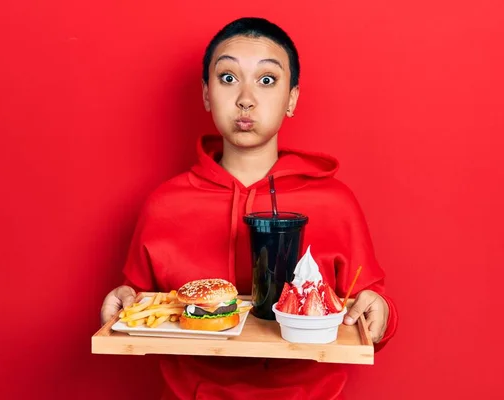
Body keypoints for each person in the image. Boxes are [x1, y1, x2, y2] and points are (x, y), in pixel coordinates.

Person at [101, 16, 398, 400]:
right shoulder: (163, 204)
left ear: (291, 99)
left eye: (267, 80)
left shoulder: (335, 201)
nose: (245, 97)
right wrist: (122, 300)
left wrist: (382, 313)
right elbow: (136, 302)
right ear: (206, 94)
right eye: (227, 78)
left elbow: (372, 310)